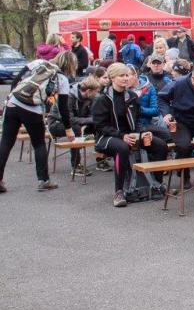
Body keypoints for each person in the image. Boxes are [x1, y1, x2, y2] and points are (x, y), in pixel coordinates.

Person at [0, 50, 77, 193]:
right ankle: (44, 180)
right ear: (71, 65)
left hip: (13, 103)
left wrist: (10, 97)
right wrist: (68, 128)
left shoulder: (39, 62)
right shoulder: (62, 79)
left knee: (5, 142)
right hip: (32, 110)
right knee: (39, 144)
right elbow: (63, 108)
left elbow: (17, 79)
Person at [93, 63, 168, 207]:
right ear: (112, 78)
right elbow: (100, 126)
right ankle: (119, 192)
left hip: (131, 135)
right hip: (107, 137)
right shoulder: (102, 99)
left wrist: (142, 133)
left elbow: (138, 120)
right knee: (122, 148)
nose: (126, 78)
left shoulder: (132, 96)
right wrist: (121, 136)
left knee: (161, 145)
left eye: (127, 75)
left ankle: (157, 184)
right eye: (121, 75)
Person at [47, 74, 101, 177]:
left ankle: (101, 159)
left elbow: (91, 115)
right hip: (57, 124)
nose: (97, 94)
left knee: (98, 125)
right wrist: (91, 120)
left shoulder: (90, 98)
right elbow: (69, 119)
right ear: (88, 91)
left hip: (78, 123)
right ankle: (76, 166)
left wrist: (94, 120)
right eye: (96, 91)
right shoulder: (68, 96)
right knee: (76, 129)